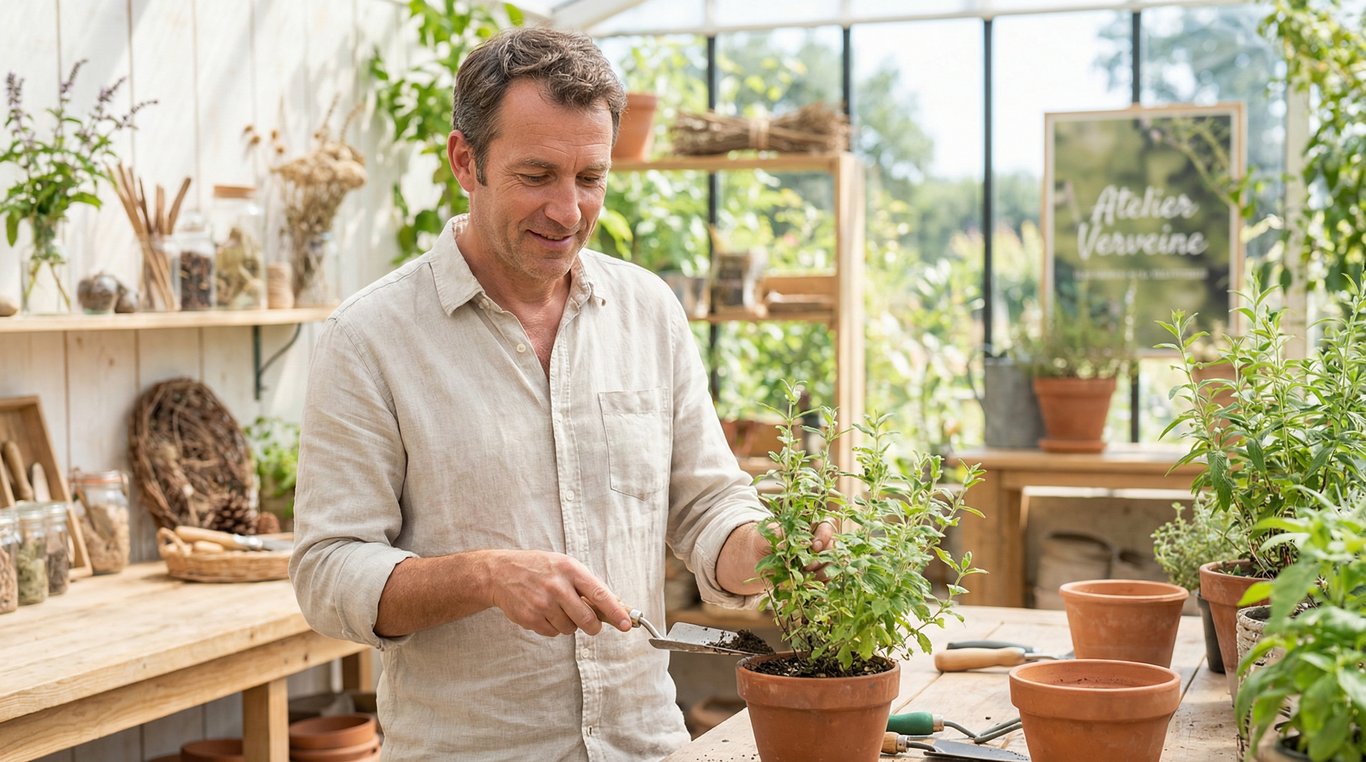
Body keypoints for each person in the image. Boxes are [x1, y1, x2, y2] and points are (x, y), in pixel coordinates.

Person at [289, 27, 834, 761]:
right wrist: (483, 575)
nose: (569, 211)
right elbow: (328, 571)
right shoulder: (371, 337)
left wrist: (765, 550)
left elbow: (705, 505)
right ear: (465, 162)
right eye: (537, 175)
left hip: (645, 745)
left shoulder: (648, 311)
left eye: (591, 178)